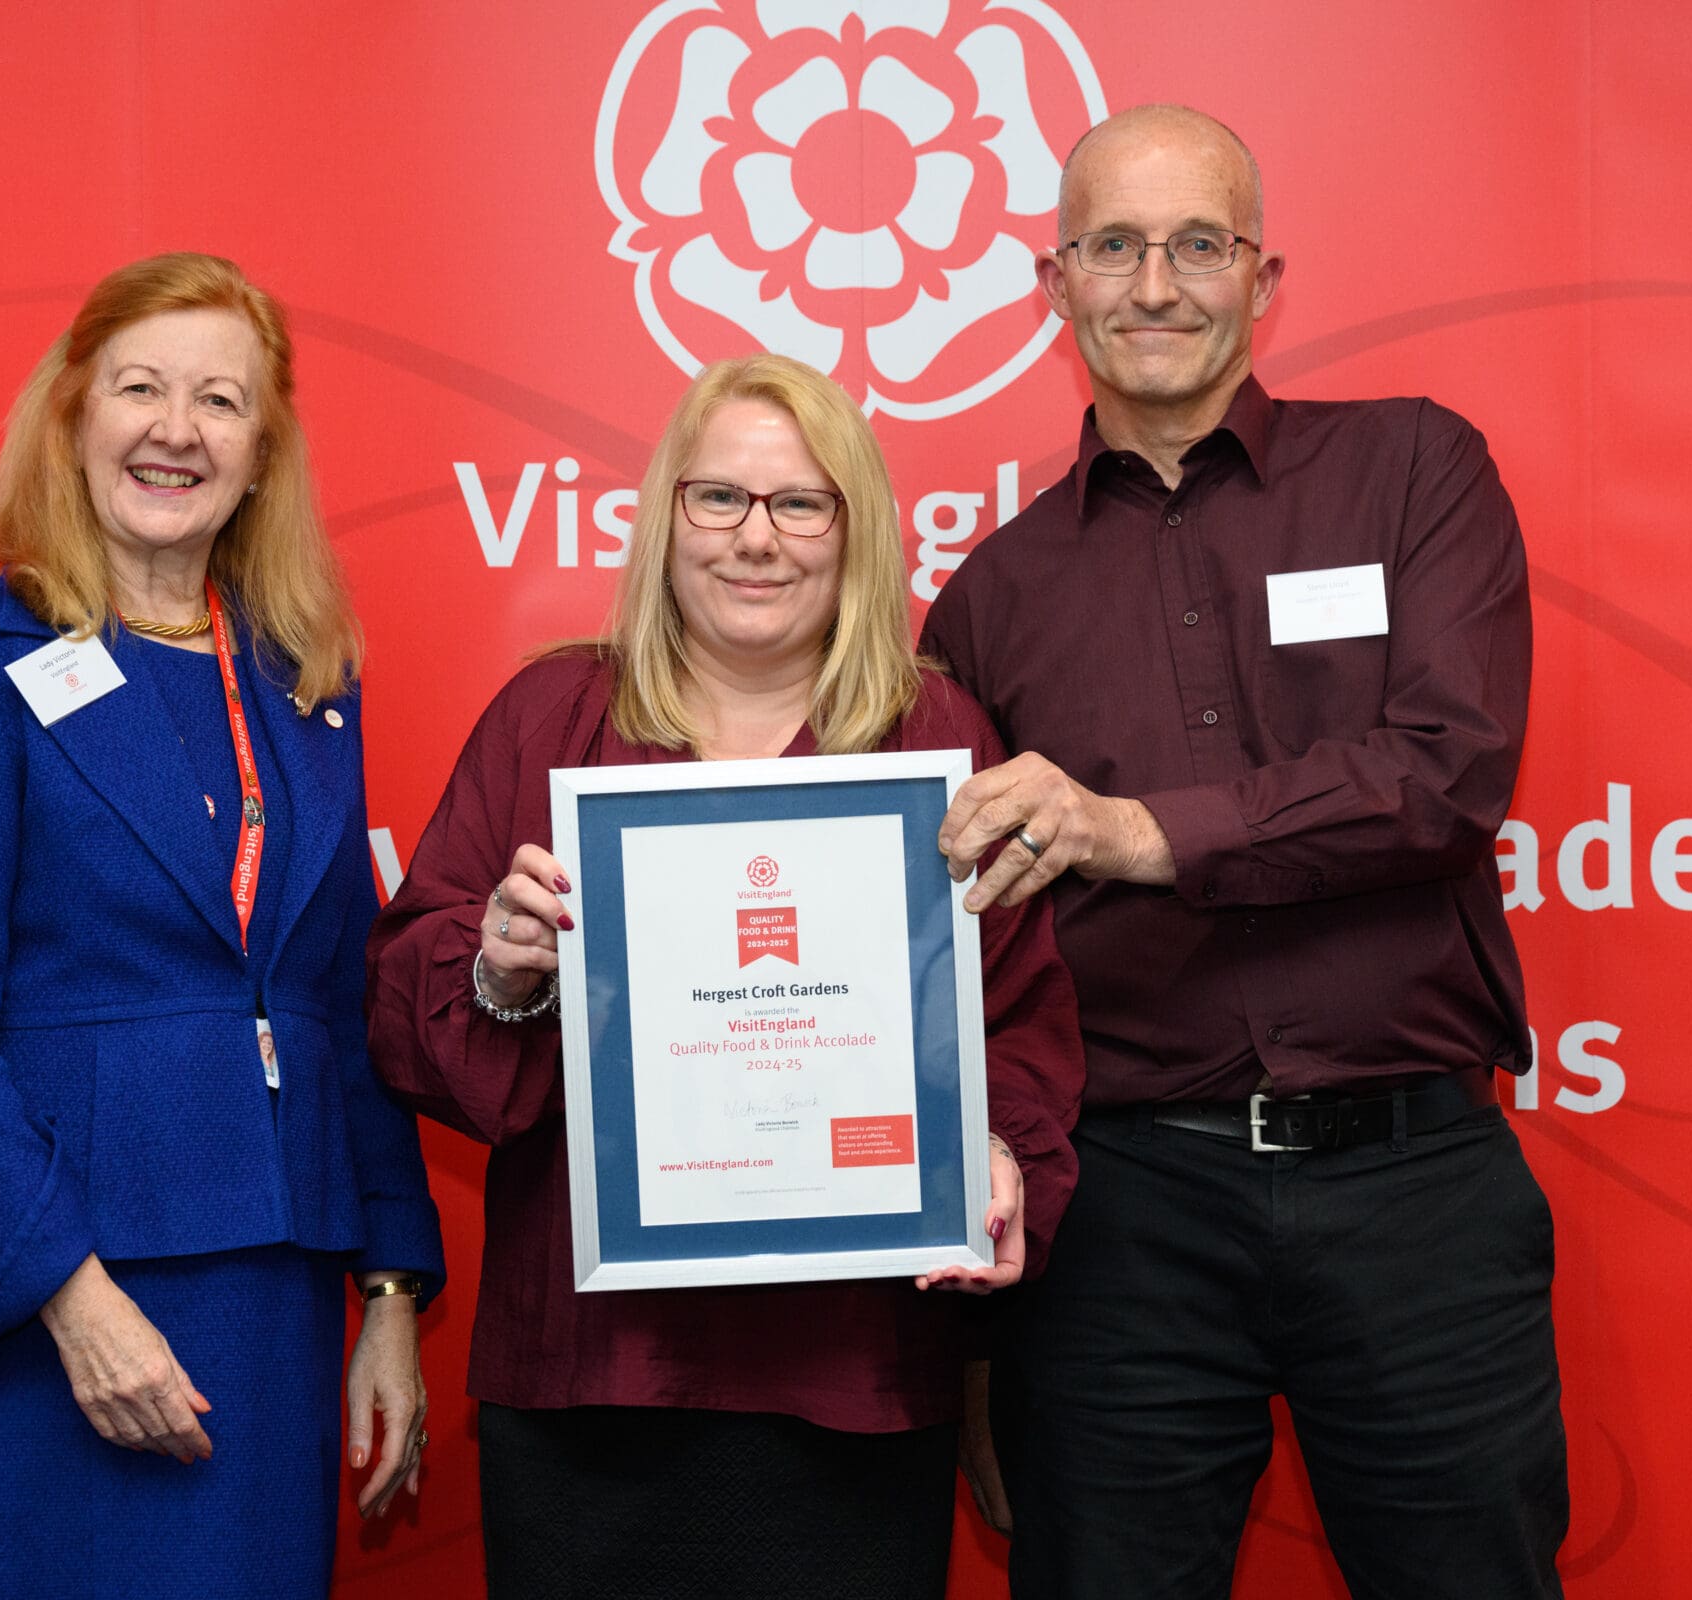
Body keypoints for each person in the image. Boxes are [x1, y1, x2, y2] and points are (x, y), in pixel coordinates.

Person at [924, 106, 1566, 1598]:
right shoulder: (989, 599)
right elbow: (965, 957)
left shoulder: (1414, 470)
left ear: (1263, 279)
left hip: (1417, 1191)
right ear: (1054, 284)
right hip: (1125, 1224)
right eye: (1115, 247)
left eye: (1198, 244)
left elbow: (1448, 773)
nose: (1156, 285)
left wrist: (1136, 830)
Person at [366, 353, 1084, 1599]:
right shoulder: (550, 717)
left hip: (848, 1375)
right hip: (594, 1377)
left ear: (854, 533)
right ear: (666, 518)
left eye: (801, 504)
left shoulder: (938, 738)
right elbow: (404, 988)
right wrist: (500, 969)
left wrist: (1003, 1153)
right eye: (721, 500)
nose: (759, 540)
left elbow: (1015, 1013)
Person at [0, 251, 444, 1600]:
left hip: (270, 1285)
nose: (177, 429)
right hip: (56, 1291)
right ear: (73, 417)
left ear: (262, 451)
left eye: (220, 402)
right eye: (141, 388)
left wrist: (391, 1293)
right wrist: (66, 1291)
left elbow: (343, 1007)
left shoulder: (310, 682)